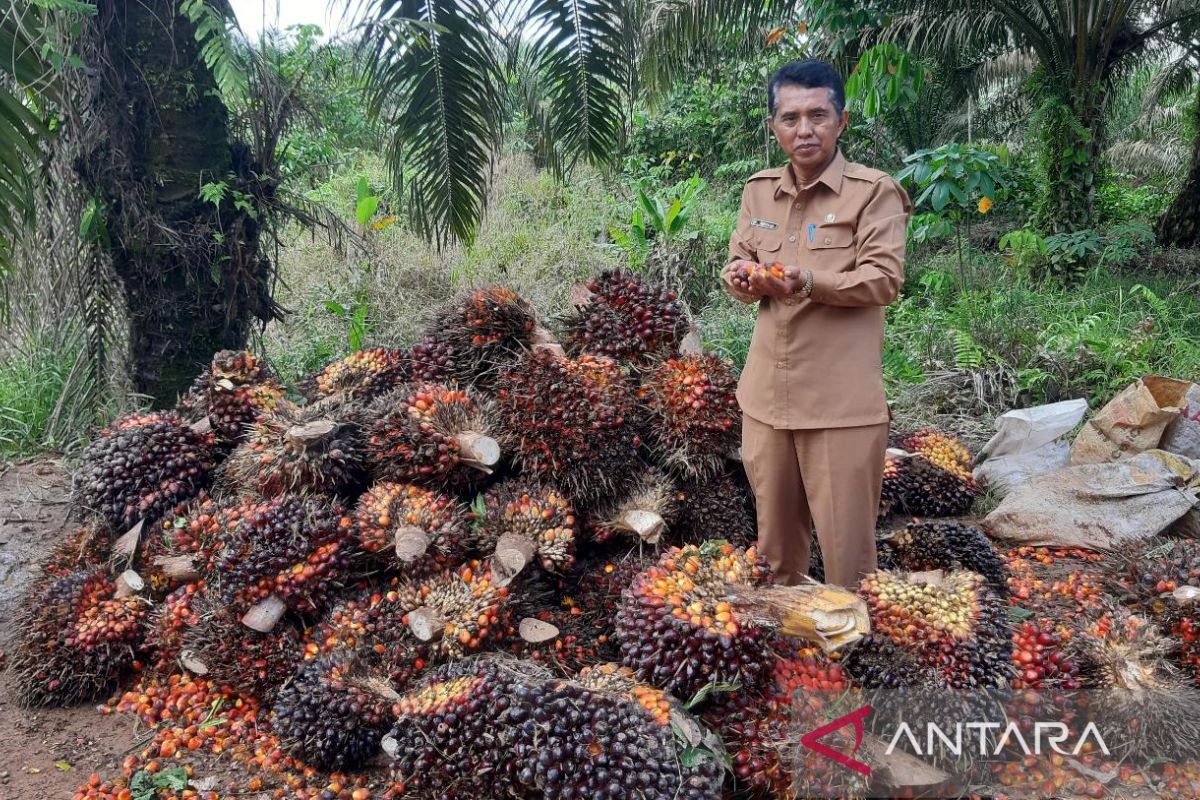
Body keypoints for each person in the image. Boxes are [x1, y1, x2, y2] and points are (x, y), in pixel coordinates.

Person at [721, 59, 911, 589]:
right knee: (777, 553)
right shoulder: (758, 191)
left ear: (841, 120)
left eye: (817, 115)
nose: (804, 130)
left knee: (849, 560)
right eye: (790, 117)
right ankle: (791, 650)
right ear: (773, 126)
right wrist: (737, 277)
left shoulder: (874, 193)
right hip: (766, 402)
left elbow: (883, 281)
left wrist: (807, 280)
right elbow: (740, 257)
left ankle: (851, 656)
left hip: (840, 406)